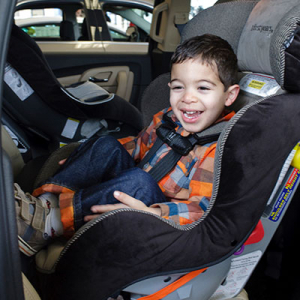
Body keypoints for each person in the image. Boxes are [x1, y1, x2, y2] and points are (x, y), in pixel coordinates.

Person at [15, 34, 240, 258]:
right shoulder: (168, 118)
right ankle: (43, 205)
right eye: (179, 87)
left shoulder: (217, 147)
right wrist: (88, 160)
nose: (188, 98)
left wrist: (153, 213)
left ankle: (50, 224)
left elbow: (202, 210)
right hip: (134, 187)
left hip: (157, 216)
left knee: (139, 181)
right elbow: (136, 146)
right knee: (105, 144)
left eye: (202, 88)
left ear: (229, 96)